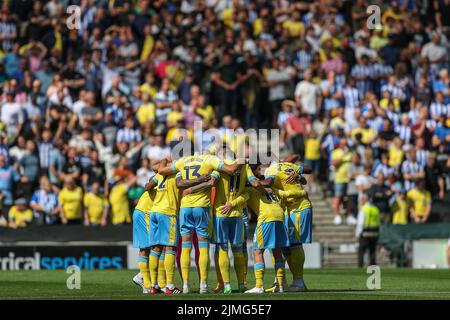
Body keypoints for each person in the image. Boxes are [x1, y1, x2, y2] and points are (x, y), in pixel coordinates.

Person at [157, 147, 242, 294]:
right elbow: (231, 169)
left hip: (185, 208)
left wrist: (166, 160)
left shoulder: (183, 161)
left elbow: (161, 171)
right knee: (203, 248)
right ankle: (203, 285)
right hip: (201, 207)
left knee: (185, 247)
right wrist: (243, 159)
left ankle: (185, 286)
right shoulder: (210, 160)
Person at [243, 164, 289, 294]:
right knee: (276, 251)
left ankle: (259, 286)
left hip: (266, 217)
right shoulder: (269, 186)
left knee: (257, 251)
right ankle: (281, 285)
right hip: (279, 215)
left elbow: (244, 196)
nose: (261, 171)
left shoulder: (251, 186)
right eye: (259, 169)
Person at [145, 159, 182, 294]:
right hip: (168, 212)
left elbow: (147, 187)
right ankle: (170, 286)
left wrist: (164, 162)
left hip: (154, 211)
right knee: (170, 247)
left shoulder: (159, 175)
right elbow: (180, 185)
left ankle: (154, 285)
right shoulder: (178, 172)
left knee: (156, 248)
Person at [356, 193, 380, 268]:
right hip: (375, 233)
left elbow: (360, 223)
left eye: (362, 199)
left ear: (365, 199)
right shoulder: (375, 209)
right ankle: (373, 268)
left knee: (361, 251)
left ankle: (360, 266)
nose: (360, 201)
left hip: (365, 234)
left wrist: (357, 234)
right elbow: (378, 222)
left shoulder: (364, 209)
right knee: (372, 252)